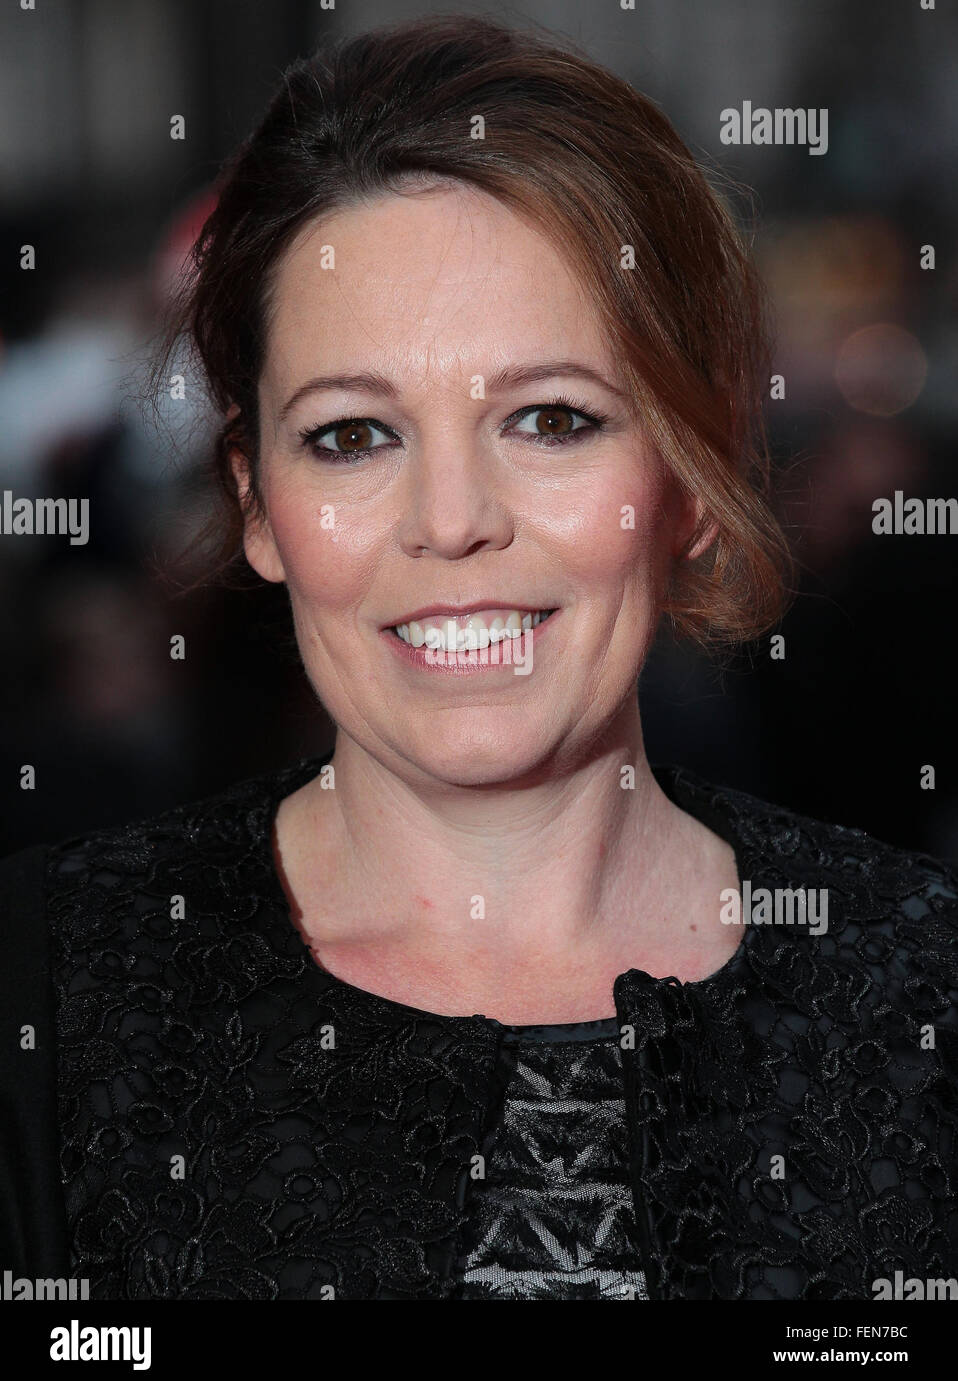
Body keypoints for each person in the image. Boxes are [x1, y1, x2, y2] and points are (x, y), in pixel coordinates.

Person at [2, 14, 956, 1302]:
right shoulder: (45, 1000)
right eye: (351, 436)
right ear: (255, 504)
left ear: (686, 472)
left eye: (550, 419)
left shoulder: (922, 996)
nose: (452, 520)